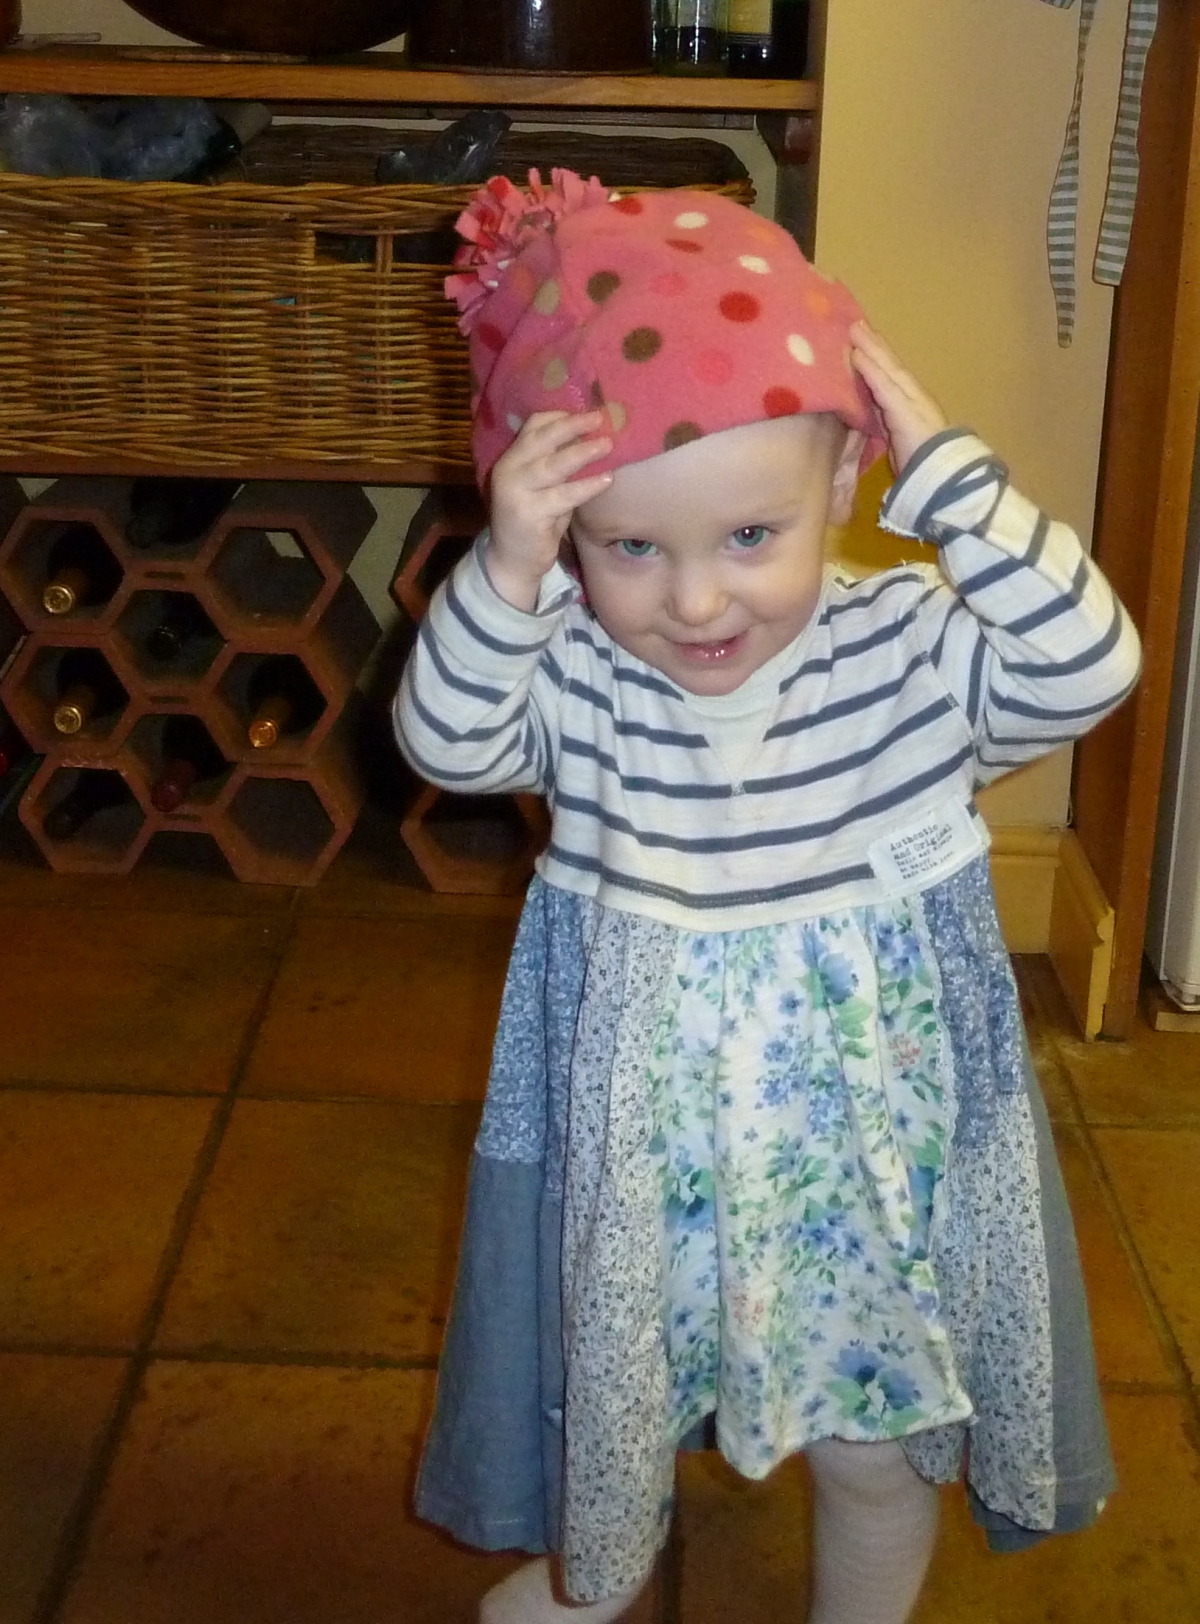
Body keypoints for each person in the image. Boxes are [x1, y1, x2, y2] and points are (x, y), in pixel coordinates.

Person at [393, 169, 1141, 1624]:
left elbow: (1088, 663)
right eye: (630, 548)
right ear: (571, 536)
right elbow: (449, 743)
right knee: (620, 1402)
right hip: (653, 1173)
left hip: (868, 1175)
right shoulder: (579, 675)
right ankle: (600, 1580)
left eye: (751, 537)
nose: (695, 604)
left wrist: (958, 488)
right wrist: (508, 571)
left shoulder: (910, 653)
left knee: (874, 1450)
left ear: (845, 485)